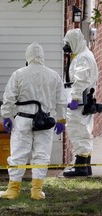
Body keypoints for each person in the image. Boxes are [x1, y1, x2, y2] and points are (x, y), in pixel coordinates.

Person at [0, 42, 67, 200]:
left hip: (23, 119)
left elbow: (8, 98)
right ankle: (37, 191)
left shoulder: (19, 74)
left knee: (18, 154)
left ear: (27, 56)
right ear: (42, 56)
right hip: (46, 121)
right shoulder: (53, 75)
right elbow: (62, 101)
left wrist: (6, 116)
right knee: (42, 155)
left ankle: (13, 190)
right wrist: (61, 119)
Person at [62, 29, 98, 177]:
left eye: (68, 44)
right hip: (83, 101)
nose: (67, 48)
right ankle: (85, 166)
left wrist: (75, 98)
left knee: (78, 131)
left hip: (79, 102)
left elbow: (81, 79)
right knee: (83, 131)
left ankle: (81, 167)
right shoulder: (83, 55)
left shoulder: (82, 58)